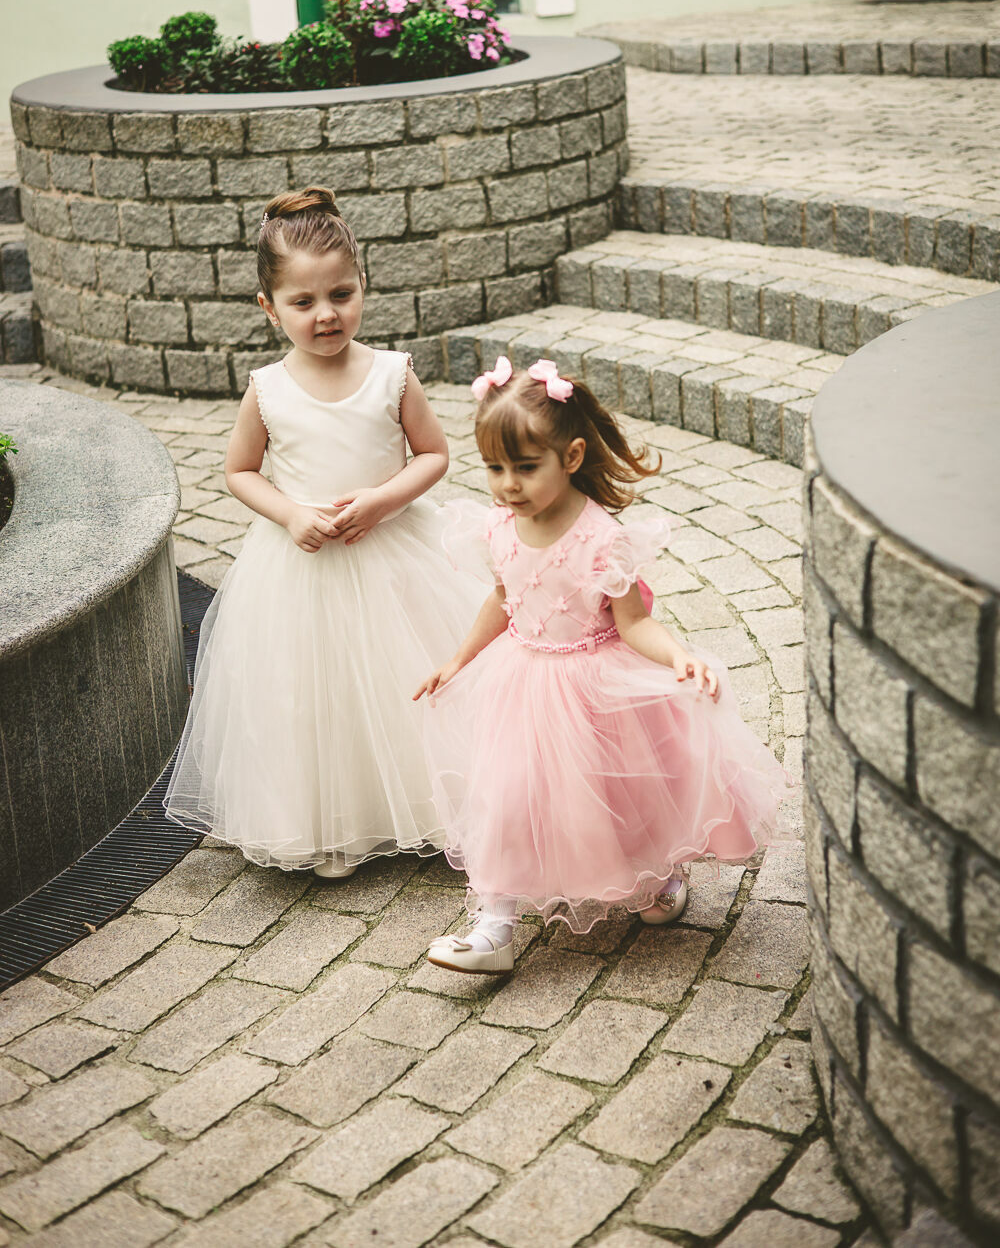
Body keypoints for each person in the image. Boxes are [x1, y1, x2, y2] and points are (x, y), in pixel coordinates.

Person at [414, 356, 786, 971]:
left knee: (621, 795)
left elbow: (635, 622)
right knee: (506, 796)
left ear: (573, 456)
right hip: (521, 683)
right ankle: (495, 927)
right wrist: (456, 660)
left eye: (526, 468)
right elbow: (501, 602)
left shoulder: (602, 539)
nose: (508, 484)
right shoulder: (499, 529)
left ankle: (654, 877)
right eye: (494, 468)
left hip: (594, 687)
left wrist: (680, 658)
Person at [164, 188, 487, 877]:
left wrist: (382, 498)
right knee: (318, 696)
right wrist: (290, 513)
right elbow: (240, 470)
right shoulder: (268, 389)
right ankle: (335, 822)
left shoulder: (392, 375)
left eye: (341, 294)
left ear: (363, 284)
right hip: (301, 568)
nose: (326, 314)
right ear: (269, 308)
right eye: (303, 303)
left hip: (396, 551)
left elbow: (433, 454)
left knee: (405, 678)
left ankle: (433, 801)